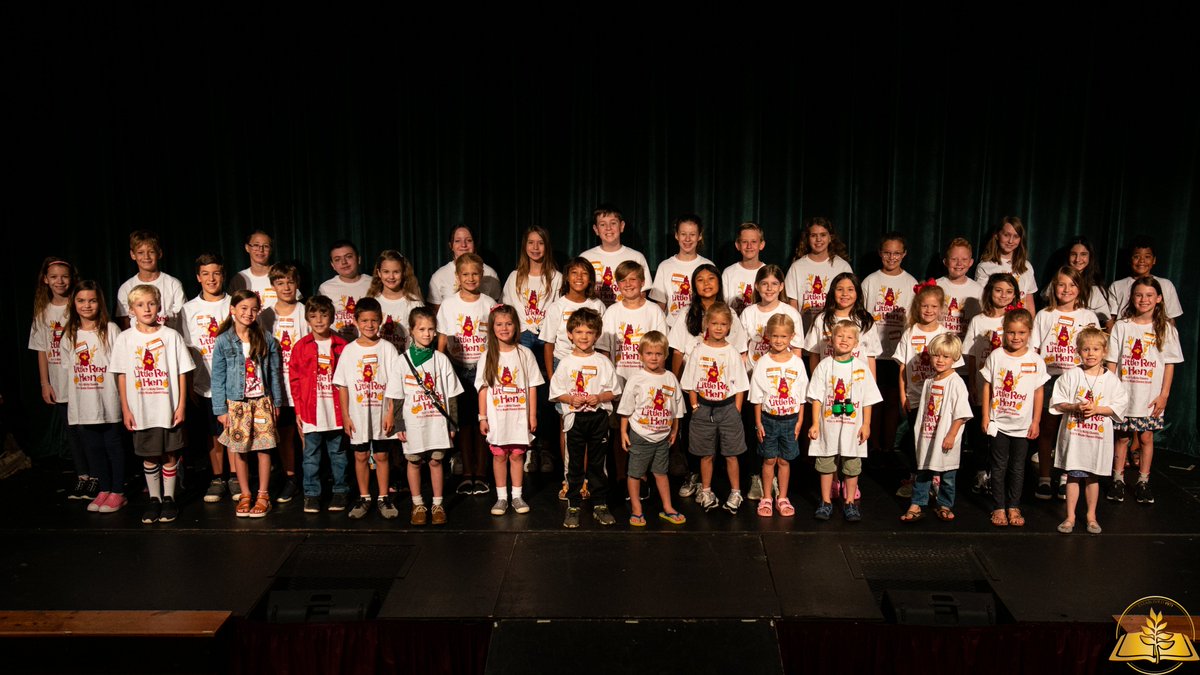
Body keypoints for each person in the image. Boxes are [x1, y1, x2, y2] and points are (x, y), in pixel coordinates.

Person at [108, 284, 196, 524]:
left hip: (167, 409)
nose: (146, 309)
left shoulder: (171, 336)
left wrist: (181, 406)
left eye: (151, 303)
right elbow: (121, 375)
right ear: (131, 310)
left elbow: (182, 372)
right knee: (149, 456)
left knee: (169, 454)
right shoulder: (125, 339)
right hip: (141, 410)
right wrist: (125, 408)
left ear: (159, 306)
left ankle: (169, 498)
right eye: (140, 305)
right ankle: (154, 499)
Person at [669, 266, 748, 496]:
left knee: (726, 442)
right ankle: (692, 476)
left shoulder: (729, 314)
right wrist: (675, 384)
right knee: (694, 437)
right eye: (700, 280)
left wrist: (736, 402)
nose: (706, 283)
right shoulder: (686, 313)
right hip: (693, 384)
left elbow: (739, 353)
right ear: (694, 286)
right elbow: (676, 351)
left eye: (711, 278)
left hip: (723, 391)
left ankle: (726, 485)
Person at [1107, 277, 1184, 505]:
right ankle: (1117, 480)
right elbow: (1112, 361)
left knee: (1146, 437)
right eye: (1139, 295)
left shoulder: (1166, 328)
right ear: (1132, 297)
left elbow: (1170, 363)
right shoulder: (1122, 326)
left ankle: (1142, 481)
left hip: (1150, 396)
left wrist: (1164, 394)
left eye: (1150, 295)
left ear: (1159, 299)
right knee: (1121, 437)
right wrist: (1110, 390)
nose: (1144, 300)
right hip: (1124, 394)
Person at [211, 290, 284, 518]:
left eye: (253, 309)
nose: (248, 313)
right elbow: (218, 377)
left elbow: (274, 372)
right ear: (233, 310)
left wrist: (277, 402)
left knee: (264, 448)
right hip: (237, 404)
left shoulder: (266, 338)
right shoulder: (223, 340)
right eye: (243, 308)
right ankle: (245, 494)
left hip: (262, 402)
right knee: (239, 451)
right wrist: (221, 410)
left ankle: (263, 494)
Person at [1031, 266, 1100, 500]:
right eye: (1062, 284)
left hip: (1078, 381)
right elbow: (1034, 349)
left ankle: (1065, 478)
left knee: (1070, 431)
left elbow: (1094, 349)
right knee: (1048, 429)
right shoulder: (1044, 315)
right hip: (1049, 379)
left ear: (1080, 289)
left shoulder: (1088, 317)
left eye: (1072, 285)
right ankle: (1044, 478)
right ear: (1054, 287)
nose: (1066, 289)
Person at [549, 307, 622, 528]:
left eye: (589, 332)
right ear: (570, 334)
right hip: (575, 420)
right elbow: (555, 393)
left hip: (598, 419)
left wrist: (599, 397)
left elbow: (614, 391)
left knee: (599, 464)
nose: (583, 336)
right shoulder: (566, 362)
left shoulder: (603, 361)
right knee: (574, 465)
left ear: (597, 335)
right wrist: (571, 398)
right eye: (579, 331)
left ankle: (600, 505)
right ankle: (573, 505)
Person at [1050, 327, 1128, 534]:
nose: (1091, 353)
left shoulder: (1111, 380)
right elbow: (1057, 402)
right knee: (1073, 476)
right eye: (1086, 349)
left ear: (1104, 352)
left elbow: (1119, 406)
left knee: (1092, 477)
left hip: (1097, 438)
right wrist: (1075, 407)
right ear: (1078, 351)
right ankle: (1070, 517)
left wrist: (1097, 409)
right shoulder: (1072, 375)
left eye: (1095, 349)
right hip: (1076, 437)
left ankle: (1091, 516)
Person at [333, 297, 403, 520]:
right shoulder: (349, 350)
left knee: (382, 455)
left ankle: (383, 497)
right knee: (361, 455)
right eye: (364, 321)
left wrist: (391, 412)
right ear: (355, 321)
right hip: (358, 416)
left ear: (380, 321)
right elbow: (342, 386)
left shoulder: (388, 349)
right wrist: (346, 416)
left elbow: (395, 384)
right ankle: (364, 497)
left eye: (374, 321)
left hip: (381, 415)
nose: (369, 325)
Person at [806, 320, 883, 522]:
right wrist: (815, 424)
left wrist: (866, 424)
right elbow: (816, 398)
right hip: (828, 424)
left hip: (853, 427)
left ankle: (849, 502)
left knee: (851, 464)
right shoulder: (824, 366)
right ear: (831, 340)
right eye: (840, 336)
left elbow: (868, 399)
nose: (844, 340)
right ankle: (826, 501)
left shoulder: (861, 368)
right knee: (825, 462)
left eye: (849, 337)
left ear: (856, 343)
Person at [59, 281, 125, 513]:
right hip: (83, 404)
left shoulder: (110, 329)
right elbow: (69, 371)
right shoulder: (69, 333)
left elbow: (120, 368)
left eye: (92, 300)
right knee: (93, 449)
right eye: (81, 300)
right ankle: (104, 489)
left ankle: (118, 491)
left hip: (107, 402)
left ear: (100, 302)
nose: (87, 305)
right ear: (73, 303)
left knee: (113, 447)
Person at [601, 261, 667, 486]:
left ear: (642, 282)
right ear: (617, 285)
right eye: (623, 280)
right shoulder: (612, 311)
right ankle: (622, 477)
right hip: (620, 380)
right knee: (621, 430)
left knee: (644, 431)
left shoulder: (653, 310)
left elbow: (661, 346)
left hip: (647, 383)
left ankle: (643, 478)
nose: (628, 284)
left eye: (632, 279)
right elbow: (604, 349)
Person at [680, 302, 750, 514]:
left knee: (731, 454)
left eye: (723, 324)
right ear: (706, 324)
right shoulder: (698, 351)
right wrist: (694, 405)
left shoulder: (732, 352)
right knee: (706, 454)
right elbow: (690, 382)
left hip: (728, 408)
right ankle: (707, 490)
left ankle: (735, 491)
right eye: (714, 323)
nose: (719, 328)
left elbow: (740, 385)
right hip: (703, 408)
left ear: (729, 326)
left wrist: (736, 409)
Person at [980, 308, 1047, 528]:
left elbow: (1038, 392)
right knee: (998, 466)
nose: (1016, 337)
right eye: (1011, 332)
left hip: (1023, 425)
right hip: (998, 423)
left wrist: (1036, 421)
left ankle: (1014, 506)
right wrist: (985, 416)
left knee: (1018, 467)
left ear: (1029, 333)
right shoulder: (996, 356)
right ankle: (998, 507)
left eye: (1021, 333)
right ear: (1004, 332)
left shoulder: (1036, 360)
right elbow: (987, 385)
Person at [539, 257, 606, 480]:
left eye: (584, 273)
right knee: (567, 424)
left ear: (590, 279)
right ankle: (571, 476)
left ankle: (588, 476)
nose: (579, 278)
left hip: (592, 368)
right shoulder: (557, 306)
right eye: (574, 273)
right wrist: (551, 376)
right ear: (566, 277)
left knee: (591, 424)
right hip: (563, 368)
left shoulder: (597, 306)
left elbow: (604, 346)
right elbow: (548, 343)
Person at [893, 282, 961, 496]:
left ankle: (936, 477)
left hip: (939, 400)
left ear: (941, 308)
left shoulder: (945, 334)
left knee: (935, 437)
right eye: (924, 306)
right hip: (915, 397)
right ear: (917, 307)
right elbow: (903, 367)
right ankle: (917, 477)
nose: (929, 311)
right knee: (915, 438)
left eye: (933, 306)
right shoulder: (910, 332)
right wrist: (903, 395)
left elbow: (953, 372)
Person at [395, 307, 462, 525]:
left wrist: (453, 425)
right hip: (414, 423)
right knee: (414, 461)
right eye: (421, 329)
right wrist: (399, 424)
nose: (427, 334)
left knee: (435, 461)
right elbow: (396, 395)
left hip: (437, 422)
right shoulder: (402, 361)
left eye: (431, 329)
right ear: (411, 331)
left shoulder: (441, 359)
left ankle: (438, 503)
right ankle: (417, 504)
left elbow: (451, 394)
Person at [28, 257, 89, 497]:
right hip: (60, 382)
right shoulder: (42, 313)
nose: (59, 281)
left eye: (64, 276)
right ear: (45, 280)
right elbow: (42, 350)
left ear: (72, 278)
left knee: (88, 429)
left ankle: (97, 475)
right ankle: (83, 475)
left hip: (84, 381)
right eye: (53, 276)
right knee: (72, 431)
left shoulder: (79, 305)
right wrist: (45, 383)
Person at [436, 253, 496, 495]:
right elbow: (442, 340)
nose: (470, 278)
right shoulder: (449, 305)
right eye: (465, 274)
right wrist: (439, 368)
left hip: (482, 369)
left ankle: (481, 473)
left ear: (481, 275)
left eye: (475, 273)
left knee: (482, 421)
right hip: (457, 369)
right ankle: (467, 472)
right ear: (457, 276)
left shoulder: (489, 303)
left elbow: (495, 339)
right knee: (464, 424)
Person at [503, 226, 560, 473]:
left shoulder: (556, 277)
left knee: (547, 394)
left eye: (540, 243)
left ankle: (545, 449)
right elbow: (508, 311)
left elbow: (559, 311)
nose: (535, 248)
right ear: (525, 247)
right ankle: (528, 448)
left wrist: (543, 330)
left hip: (547, 338)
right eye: (531, 243)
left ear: (547, 247)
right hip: (523, 337)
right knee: (524, 394)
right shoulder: (515, 277)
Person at [476, 305, 543, 516]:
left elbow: (532, 385)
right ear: (492, 327)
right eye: (499, 324)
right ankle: (501, 497)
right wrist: (483, 417)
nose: (504, 328)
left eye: (508, 323)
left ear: (516, 326)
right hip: (498, 418)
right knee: (499, 456)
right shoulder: (488, 355)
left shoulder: (525, 354)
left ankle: (517, 495)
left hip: (519, 417)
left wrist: (532, 415)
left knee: (516, 456)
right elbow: (483, 389)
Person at [899, 334, 972, 523]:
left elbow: (962, 413)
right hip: (927, 435)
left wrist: (951, 434)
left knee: (947, 474)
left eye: (946, 357)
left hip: (946, 437)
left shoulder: (956, 382)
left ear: (954, 358)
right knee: (923, 471)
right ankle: (917, 504)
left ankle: (945, 504)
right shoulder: (929, 381)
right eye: (937, 355)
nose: (940, 360)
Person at [288, 295, 351, 514]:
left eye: (323, 315)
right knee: (310, 457)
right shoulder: (301, 347)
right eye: (313, 316)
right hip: (310, 412)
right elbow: (294, 381)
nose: (319, 320)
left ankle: (341, 491)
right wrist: (298, 410)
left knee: (339, 455)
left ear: (332, 318)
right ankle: (312, 494)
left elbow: (349, 380)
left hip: (336, 412)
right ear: (307, 320)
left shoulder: (343, 345)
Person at [180, 253, 234, 503]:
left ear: (223, 275)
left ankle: (235, 476)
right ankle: (218, 478)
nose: (211, 279)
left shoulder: (234, 304)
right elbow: (186, 351)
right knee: (213, 434)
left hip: (233, 383)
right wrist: (190, 383)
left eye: (216, 273)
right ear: (198, 277)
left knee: (234, 431)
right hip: (205, 383)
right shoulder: (188, 309)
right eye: (206, 274)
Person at [617, 330, 686, 526]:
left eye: (658, 353)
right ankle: (637, 509)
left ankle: (668, 507)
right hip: (640, 435)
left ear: (665, 355)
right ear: (641, 355)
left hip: (662, 436)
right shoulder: (636, 379)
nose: (653, 358)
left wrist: (674, 430)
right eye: (649, 353)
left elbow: (676, 408)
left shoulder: (671, 378)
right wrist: (623, 431)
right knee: (635, 473)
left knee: (661, 472)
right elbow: (626, 408)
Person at [962, 273, 1020, 493]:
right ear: (989, 292)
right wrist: (972, 384)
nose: (1003, 295)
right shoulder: (979, 320)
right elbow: (972, 355)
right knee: (981, 432)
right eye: (998, 290)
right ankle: (980, 474)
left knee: (1002, 437)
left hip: (1008, 391)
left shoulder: (1017, 321)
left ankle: (999, 477)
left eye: (1008, 291)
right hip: (982, 385)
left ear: (1015, 295)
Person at [862, 233, 919, 456]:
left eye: (896, 253)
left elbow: (913, 319)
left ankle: (888, 447)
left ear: (904, 254)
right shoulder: (870, 281)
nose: (891, 257)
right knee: (874, 401)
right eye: (887, 252)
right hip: (873, 355)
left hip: (897, 354)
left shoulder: (910, 282)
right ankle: (874, 447)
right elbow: (864, 317)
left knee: (894, 403)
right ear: (880, 253)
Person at [748, 314, 808, 518]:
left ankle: (782, 497)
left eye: (783, 336)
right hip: (768, 420)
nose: (779, 340)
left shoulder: (798, 363)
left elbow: (802, 396)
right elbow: (756, 396)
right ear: (767, 336)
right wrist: (758, 422)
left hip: (790, 420)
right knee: (769, 459)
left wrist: (800, 420)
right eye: (775, 336)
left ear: (792, 336)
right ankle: (766, 496)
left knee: (784, 461)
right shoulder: (763, 362)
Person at [257, 263, 308, 503]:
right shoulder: (265, 315)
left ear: (297, 283)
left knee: (307, 434)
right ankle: (290, 478)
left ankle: (312, 478)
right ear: (273, 286)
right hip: (277, 387)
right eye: (280, 283)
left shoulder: (305, 311)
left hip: (304, 386)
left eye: (290, 281)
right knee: (285, 435)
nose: (286, 287)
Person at [803, 272, 880, 378]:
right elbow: (814, 354)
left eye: (850, 289)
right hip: (828, 379)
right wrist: (816, 381)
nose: (845, 294)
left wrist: (872, 388)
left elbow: (870, 357)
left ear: (857, 292)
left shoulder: (866, 321)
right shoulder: (821, 319)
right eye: (840, 289)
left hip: (857, 380)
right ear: (832, 292)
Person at [784, 217, 853, 332]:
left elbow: (850, 301)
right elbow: (792, 304)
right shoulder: (797, 267)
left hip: (835, 333)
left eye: (823, 235)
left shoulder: (842, 267)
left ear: (830, 237)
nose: (818, 239)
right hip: (805, 333)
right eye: (813, 235)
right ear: (807, 238)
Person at [578, 203, 652, 306]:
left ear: (621, 226)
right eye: (603, 224)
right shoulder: (585, 258)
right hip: (593, 318)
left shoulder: (636, 257)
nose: (608, 228)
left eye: (613, 223)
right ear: (596, 230)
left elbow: (642, 293)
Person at [650, 214, 714, 328]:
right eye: (683, 234)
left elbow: (714, 303)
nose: (688, 239)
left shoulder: (708, 265)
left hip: (700, 331)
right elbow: (660, 306)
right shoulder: (665, 266)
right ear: (676, 235)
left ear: (699, 236)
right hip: (672, 331)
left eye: (692, 234)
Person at [114, 230, 187, 330]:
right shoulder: (126, 288)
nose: (146, 257)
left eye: (151, 252)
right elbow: (125, 325)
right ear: (133, 254)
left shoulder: (173, 284)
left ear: (159, 253)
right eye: (140, 252)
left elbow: (183, 319)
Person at [1106, 236, 1184, 328]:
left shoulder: (1166, 285)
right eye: (1136, 257)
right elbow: (1110, 320)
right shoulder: (1117, 286)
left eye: (1147, 257)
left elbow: (1170, 319)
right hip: (1125, 338)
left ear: (1154, 260)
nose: (1142, 261)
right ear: (1130, 259)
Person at [740, 264, 805, 371]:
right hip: (753, 375)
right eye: (764, 284)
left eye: (774, 284)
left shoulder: (792, 313)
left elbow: (796, 352)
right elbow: (742, 352)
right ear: (757, 286)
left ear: (781, 286)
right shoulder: (748, 313)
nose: (769, 288)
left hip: (782, 375)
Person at [426, 225, 503, 313]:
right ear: (451, 245)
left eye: (469, 240)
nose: (463, 245)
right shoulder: (439, 276)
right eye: (458, 241)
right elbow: (437, 315)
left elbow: (496, 313)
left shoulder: (490, 274)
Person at [367, 250, 424, 353]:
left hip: (406, 361)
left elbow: (422, 336)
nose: (391, 277)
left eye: (396, 272)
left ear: (403, 273)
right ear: (379, 273)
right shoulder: (372, 301)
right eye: (386, 272)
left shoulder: (414, 303)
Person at [975, 217, 1037, 309]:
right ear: (997, 235)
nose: (1010, 241)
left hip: (1020, 321)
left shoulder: (1026, 266)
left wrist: (1030, 322)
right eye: (1006, 235)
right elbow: (981, 301)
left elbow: (1029, 302)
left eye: (1016, 236)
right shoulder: (985, 266)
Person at [317, 239, 373, 341]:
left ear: (358, 259)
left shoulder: (373, 284)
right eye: (337, 259)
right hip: (337, 347)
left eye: (348, 257)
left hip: (368, 345)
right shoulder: (325, 288)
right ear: (332, 265)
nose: (344, 262)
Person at [229, 230, 297, 310]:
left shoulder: (281, 274)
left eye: (266, 246)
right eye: (256, 245)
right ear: (247, 247)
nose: (260, 250)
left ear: (271, 250)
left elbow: (296, 305)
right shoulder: (239, 279)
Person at [935, 237, 984, 339]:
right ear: (945, 262)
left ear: (971, 262)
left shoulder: (978, 290)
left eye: (964, 259)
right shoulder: (936, 286)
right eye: (954, 259)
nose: (959, 263)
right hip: (939, 347)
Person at [722, 222, 767, 316]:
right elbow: (723, 307)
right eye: (744, 242)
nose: (749, 246)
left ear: (761, 245)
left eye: (754, 242)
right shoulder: (728, 273)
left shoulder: (768, 273)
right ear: (738, 245)